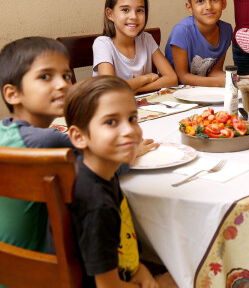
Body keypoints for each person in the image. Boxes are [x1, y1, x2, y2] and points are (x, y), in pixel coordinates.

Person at [66, 76, 174, 287]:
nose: (129, 131)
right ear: (79, 137)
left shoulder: (104, 173)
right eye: (111, 122)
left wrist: (141, 269)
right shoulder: (97, 204)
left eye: (132, 118)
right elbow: (107, 285)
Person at [0, 37, 75, 288]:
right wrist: (135, 151)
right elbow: (108, 165)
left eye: (66, 76)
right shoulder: (49, 141)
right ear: (13, 94)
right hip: (30, 278)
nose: (63, 84)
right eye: (46, 76)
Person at [93, 0, 178, 93]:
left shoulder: (146, 39)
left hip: (140, 105)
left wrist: (136, 89)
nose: (133, 16)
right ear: (110, 14)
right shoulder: (102, 44)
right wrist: (145, 78)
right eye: (125, 10)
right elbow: (111, 88)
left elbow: (172, 78)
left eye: (139, 10)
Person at [165, 0, 232, 87]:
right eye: (200, 1)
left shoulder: (226, 30)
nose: (208, 6)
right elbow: (183, 78)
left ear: (223, 2)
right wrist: (219, 82)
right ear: (189, 7)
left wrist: (241, 79)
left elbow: (214, 73)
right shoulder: (182, 31)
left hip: (203, 90)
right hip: (173, 91)